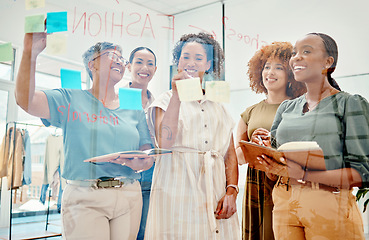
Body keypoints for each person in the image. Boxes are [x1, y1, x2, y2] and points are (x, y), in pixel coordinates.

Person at [15, 32, 154, 240]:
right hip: (85, 196)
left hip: (129, 195)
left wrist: (142, 162)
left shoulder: (132, 105)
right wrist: (30, 54)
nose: (119, 61)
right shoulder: (69, 98)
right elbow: (27, 101)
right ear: (92, 64)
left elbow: (146, 149)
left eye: (121, 58)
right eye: (111, 55)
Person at [254, 33, 369, 239]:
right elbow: (275, 172)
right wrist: (265, 155)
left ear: (328, 62)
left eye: (306, 52)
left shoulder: (349, 104)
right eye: (295, 53)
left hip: (329, 202)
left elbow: (362, 173)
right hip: (283, 201)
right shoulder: (286, 108)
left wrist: (304, 175)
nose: (296, 58)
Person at [144, 32, 240, 239]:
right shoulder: (164, 100)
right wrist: (177, 96)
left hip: (215, 190)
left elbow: (229, 154)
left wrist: (232, 191)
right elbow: (164, 143)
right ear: (178, 61)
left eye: (198, 58)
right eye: (185, 57)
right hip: (175, 189)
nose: (191, 63)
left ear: (208, 64)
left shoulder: (218, 106)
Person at [235, 42, 306, 240]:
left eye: (278, 67)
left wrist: (273, 148)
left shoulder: (302, 108)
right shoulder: (249, 112)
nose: (270, 72)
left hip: (288, 182)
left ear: (291, 73)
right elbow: (238, 158)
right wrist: (254, 147)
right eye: (266, 67)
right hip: (255, 184)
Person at [124, 46, 157, 240]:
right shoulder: (116, 98)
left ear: (155, 69)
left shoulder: (159, 103)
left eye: (150, 63)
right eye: (139, 62)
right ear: (129, 66)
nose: (145, 67)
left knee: (145, 232)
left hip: (153, 177)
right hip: (125, 175)